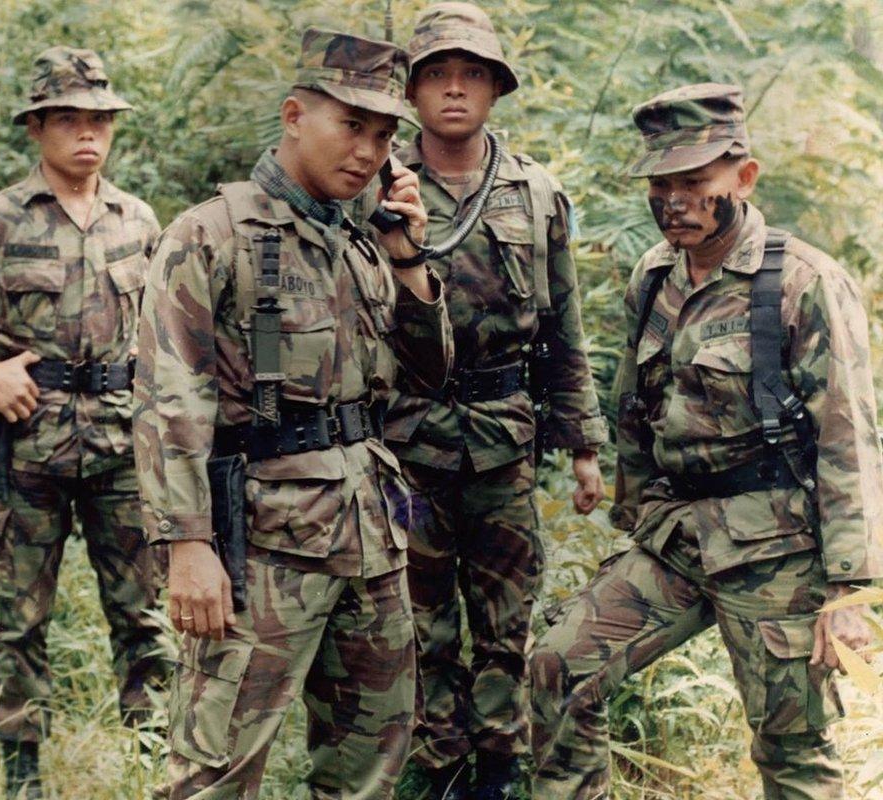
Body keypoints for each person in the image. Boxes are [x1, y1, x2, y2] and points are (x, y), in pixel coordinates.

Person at [529, 83, 883, 800]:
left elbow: (849, 435)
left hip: (776, 550)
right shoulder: (653, 275)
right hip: (678, 538)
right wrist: (632, 517)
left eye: (695, 182)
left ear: (743, 178)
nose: (674, 202)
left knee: (791, 748)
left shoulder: (802, 282)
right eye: (661, 184)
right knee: (560, 666)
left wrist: (847, 591)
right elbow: (636, 405)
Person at [133, 27, 454, 800]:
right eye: (352, 126)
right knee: (217, 770)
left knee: (370, 763)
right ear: (293, 115)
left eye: (383, 135)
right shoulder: (212, 235)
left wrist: (410, 256)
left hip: (369, 540)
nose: (370, 151)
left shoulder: (366, 244)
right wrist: (188, 546)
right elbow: (169, 402)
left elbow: (428, 374)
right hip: (265, 549)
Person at [0, 47, 168, 798]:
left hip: (122, 446)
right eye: (70, 121)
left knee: (143, 618)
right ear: (38, 129)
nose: (88, 135)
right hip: (29, 450)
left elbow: (165, 325)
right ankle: (22, 774)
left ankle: (153, 762)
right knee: (20, 623)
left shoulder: (138, 220)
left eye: (99, 120)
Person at [372, 5, 607, 798]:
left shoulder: (535, 193)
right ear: (411, 91)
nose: (453, 90)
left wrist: (582, 446)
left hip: (503, 443)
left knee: (505, 618)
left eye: (471, 73)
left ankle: (499, 765)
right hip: (407, 441)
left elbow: (563, 327)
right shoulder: (376, 187)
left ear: (496, 88)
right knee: (420, 617)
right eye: (436, 74)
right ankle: (438, 764)